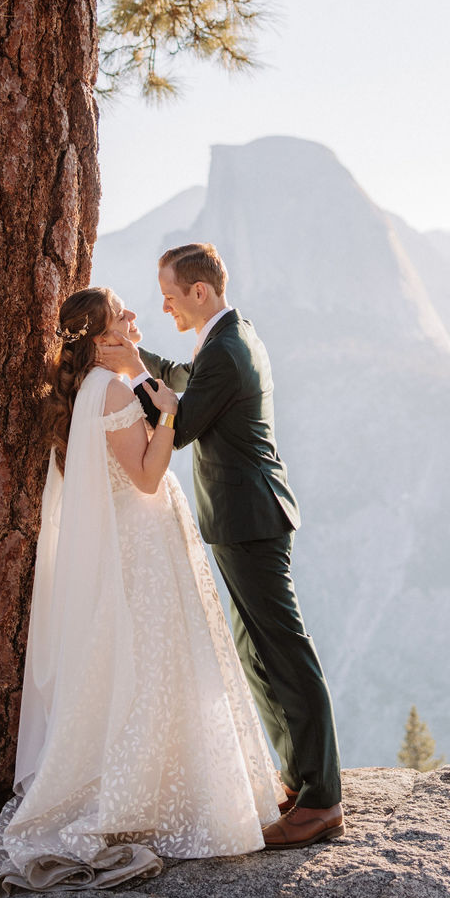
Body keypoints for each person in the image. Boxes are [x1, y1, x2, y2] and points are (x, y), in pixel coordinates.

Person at [0, 285, 281, 895]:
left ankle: (162, 776)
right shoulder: (113, 391)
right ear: (102, 337)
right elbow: (147, 478)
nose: (136, 317)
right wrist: (168, 412)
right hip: (141, 542)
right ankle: (155, 791)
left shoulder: (91, 388)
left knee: (148, 663)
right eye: (123, 314)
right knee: (158, 662)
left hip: (129, 539)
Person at [99, 242, 344, 849]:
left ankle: (322, 800)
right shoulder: (229, 337)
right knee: (257, 648)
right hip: (246, 518)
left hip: (250, 518)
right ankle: (299, 780)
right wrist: (138, 362)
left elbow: (180, 423)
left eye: (170, 295)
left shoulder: (229, 350)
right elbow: (187, 383)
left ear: (199, 292)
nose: (162, 305)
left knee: (284, 651)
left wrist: (112, 397)